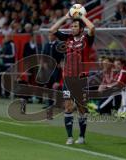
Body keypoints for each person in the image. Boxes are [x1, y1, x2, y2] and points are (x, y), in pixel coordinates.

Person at [50, 11, 95, 144]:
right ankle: (69, 137)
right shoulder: (67, 38)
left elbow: (92, 28)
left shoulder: (87, 39)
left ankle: (81, 136)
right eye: (72, 26)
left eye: (75, 26)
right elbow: (53, 29)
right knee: (68, 107)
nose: (72, 28)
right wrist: (66, 17)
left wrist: (82, 17)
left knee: (81, 108)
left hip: (81, 79)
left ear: (81, 29)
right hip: (68, 79)